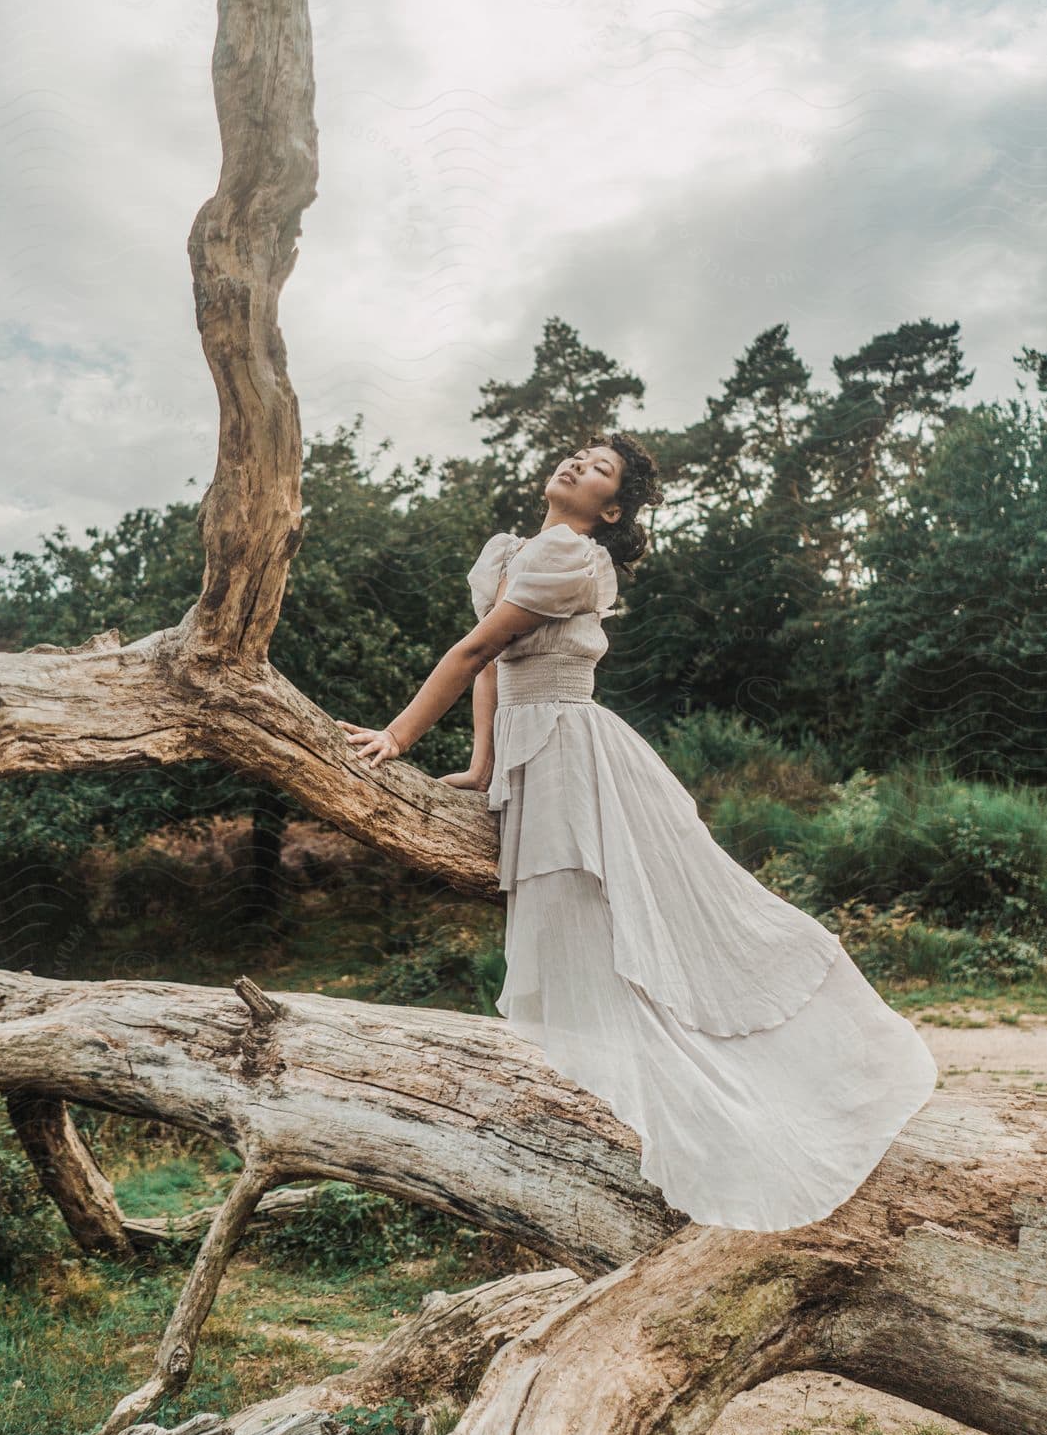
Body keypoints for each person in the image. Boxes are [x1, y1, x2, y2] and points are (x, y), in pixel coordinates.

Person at [335, 433, 939, 1231]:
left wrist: (399, 736)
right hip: (530, 749)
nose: (574, 466)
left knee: (611, 930)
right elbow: (489, 667)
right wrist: (481, 768)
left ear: (609, 509)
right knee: (571, 937)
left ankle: (708, 1116)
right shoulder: (517, 552)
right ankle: (612, 1126)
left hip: (570, 754)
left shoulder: (571, 558)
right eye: (574, 456)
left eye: (597, 470)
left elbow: (477, 646)